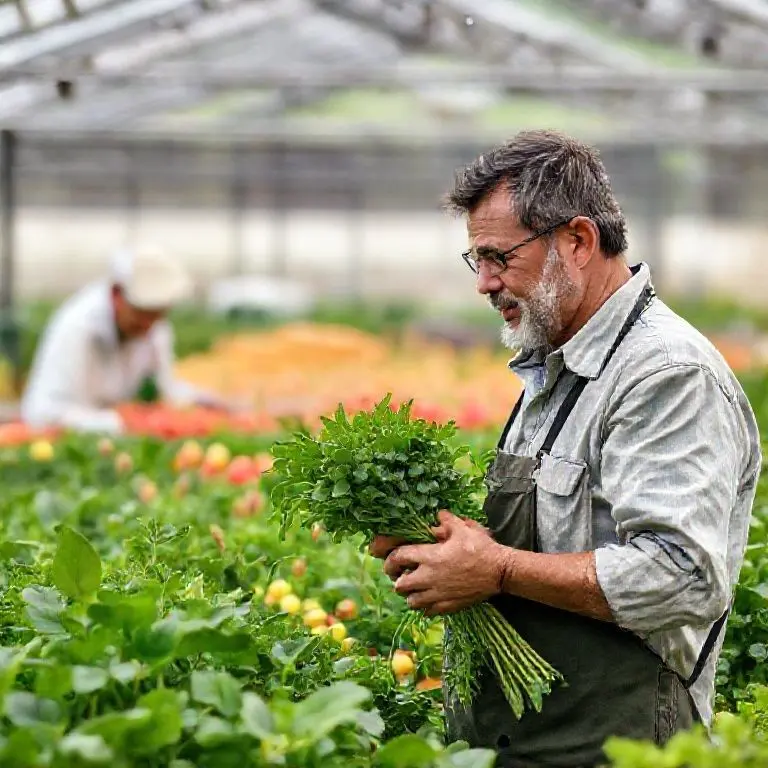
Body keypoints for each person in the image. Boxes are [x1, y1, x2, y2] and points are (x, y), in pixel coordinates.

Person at [371, 130, 762, 767]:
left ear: (577, 241)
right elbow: (548, 541)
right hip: (532, 739)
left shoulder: (665, 375)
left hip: (618, 745)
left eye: (499, 257)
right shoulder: (557, 362)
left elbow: (682, 578)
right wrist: (450, 547)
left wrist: (497, 569)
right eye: (477, 260)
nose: (485, 283)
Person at [21, 244, 227, 434]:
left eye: (157, 315)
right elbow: (43, 413)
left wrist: (201, 401)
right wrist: (120, 422)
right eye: (141, 314)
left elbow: (166, 389)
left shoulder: (156, 329)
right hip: (72, 439)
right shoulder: (78, 327)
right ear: (116, 294)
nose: (147, 325)